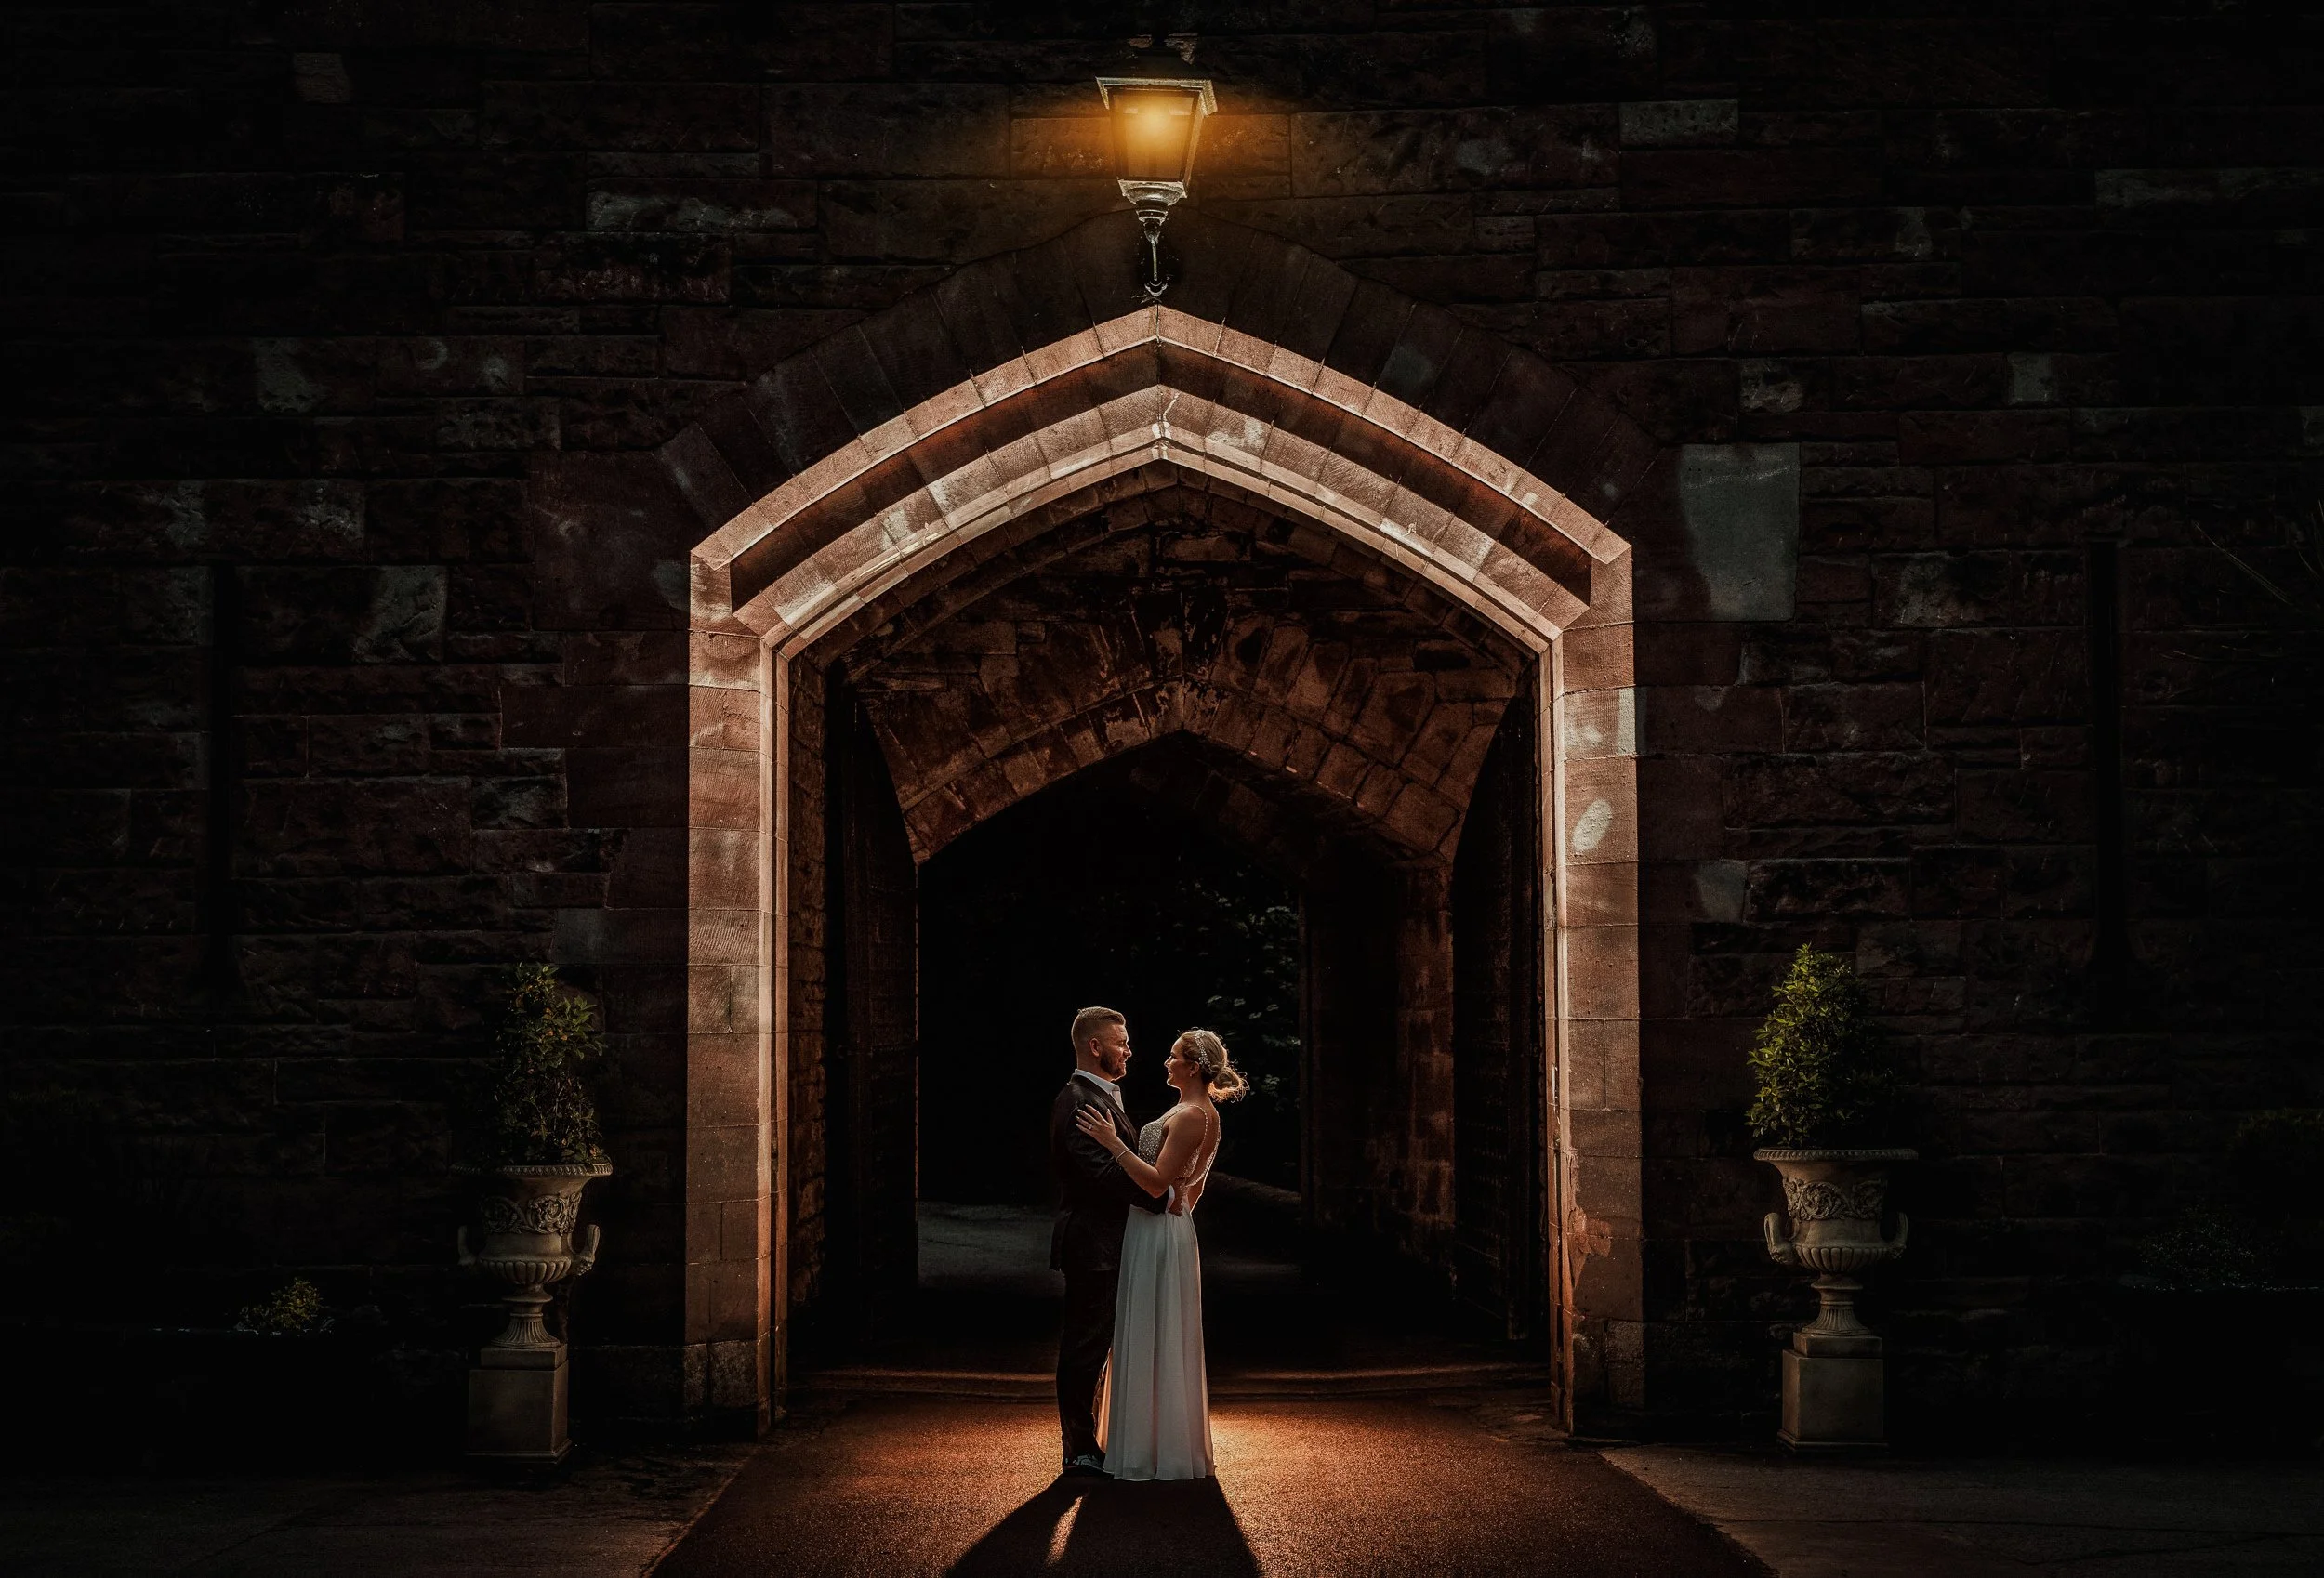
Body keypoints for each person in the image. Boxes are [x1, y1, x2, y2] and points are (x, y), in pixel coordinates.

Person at [1074, 1027, 1246, 1481]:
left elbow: (1154, 1182)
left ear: (1192, 1066)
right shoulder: (1201, 1111)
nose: (1165, 1062)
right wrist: (1182, 1207)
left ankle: (1148, 1450)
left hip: (1154, 1228)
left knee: (1152, 1326)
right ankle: (1158, 1442)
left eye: (1174, 1057)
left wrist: (1113, 1143)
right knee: (1160, 1327)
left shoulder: (1192, 1114)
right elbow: (1196, 1183)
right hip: (1167, 1227)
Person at [1049, 1006, 1171, 1477]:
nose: (1129, 1050)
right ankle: (1078, 1449)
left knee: (1101, 1342)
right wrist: (1158, 1196)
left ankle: (1098, 1440)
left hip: (1111, 1241)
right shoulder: (1080, 1099)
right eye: (1121, 1042)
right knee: (1086, 1344)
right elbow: (1100, 1174)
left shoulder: (1099, 1095)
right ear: (1095, 1046)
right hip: (1093, 1244)